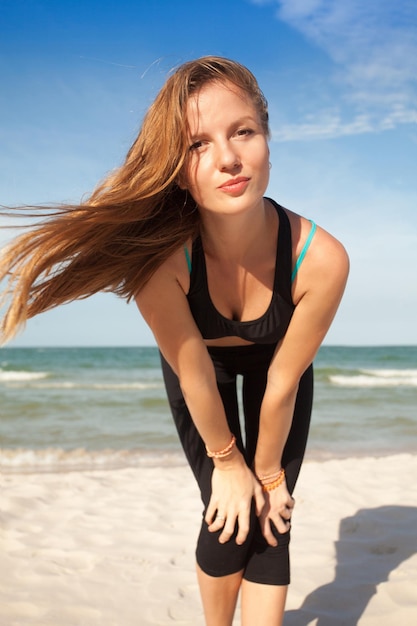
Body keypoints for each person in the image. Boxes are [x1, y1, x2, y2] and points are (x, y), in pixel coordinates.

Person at [0, 56, 349, 625]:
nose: (229, 158)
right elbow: (193, 373)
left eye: (243, 132)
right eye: (197, 145)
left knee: (270, 519)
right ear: (177, 166)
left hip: (277, 373)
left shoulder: (322, 261)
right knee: (225, 517)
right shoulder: (161, 263)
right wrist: (229, 465)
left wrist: (265, 475)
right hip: (199, 372)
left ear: (267, 136)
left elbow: (283, 380)